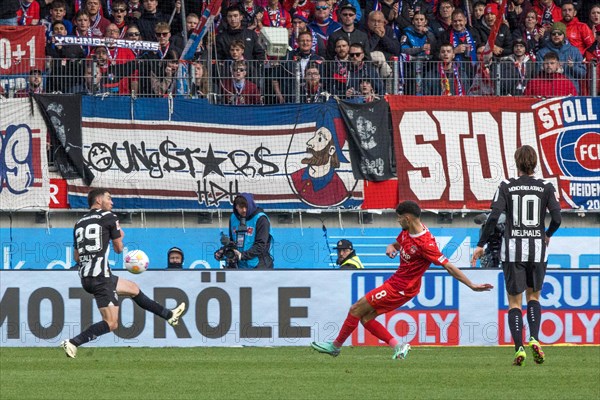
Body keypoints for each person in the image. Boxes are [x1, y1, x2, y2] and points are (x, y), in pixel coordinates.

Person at [312, 200, 493, 359]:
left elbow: (449, 266)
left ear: (407, 218)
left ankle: (335, 346)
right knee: (366, 318)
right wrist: (391, 247)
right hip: (396, 282)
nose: (397, 220)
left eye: (399, 217)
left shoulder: (426, 244)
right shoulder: (407, 232)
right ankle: (398, 346)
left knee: (356, 308)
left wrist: (471, 285)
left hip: (402, 288)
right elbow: (397, 244)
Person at [61, 188, 186, 358]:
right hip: (100, 277)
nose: (112, 202)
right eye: (109, 198)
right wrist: (118, 234)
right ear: (98, 200)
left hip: (87, 276)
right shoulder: (109, 217)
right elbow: (119, 249)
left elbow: (77, 257)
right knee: (111, 323)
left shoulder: (79, 223)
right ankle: (73, 342)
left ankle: (169, 315)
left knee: (133, 288)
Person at [472, 145, 561, 366]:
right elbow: (557, 219)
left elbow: (493, 217)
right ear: (535, 163)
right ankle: (534, 338)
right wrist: (547, 234)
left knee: (514, 302)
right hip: (538, 251)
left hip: (513, 251)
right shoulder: (547, 186)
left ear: (516, 162)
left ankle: (519, 348)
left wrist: (481, 244)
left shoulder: (506, 186)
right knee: (534, 297)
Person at [214, 193, 274, 269]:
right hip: (240, 265)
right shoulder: (233, 218)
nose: (244, 210)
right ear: (236, 207)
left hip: (259, 264)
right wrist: (222, 251)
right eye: (241, 207)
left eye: (246, 207)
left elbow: (261, 245)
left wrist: (242, 255)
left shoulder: (261, 219)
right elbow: (233, 241)